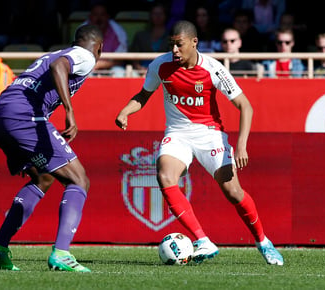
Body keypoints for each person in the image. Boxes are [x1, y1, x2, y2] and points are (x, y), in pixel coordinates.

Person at [115, 20, 284, 266]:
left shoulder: (213, 69)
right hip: (178, 133)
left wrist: (241, 145)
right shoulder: (160, 66)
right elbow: (143, 95)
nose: (174, 50)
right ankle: (203, 240)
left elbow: (244, 106)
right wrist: (125, 111)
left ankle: (263, 242)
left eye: (179, 45)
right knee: (165, 176)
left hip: (210, 134)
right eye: (171, 44)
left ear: (194, 43)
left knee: (233, 192)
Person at [0, 24, 104, 272]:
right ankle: (62, 253)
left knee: (43, 177)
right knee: (79, 180)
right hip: (24, 115)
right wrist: (69, 111)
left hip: (1, 115)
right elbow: (61, 67)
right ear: (99, 47)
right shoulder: (85, 55)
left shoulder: (50, 54)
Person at [84, 1, 128, 77]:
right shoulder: (82, 31)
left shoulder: (118, 31)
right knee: (84, 73)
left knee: (119, 72)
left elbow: (120, 60)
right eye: (95, 15)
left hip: (112, 67)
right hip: (89, 67)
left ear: (107, 16)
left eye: (102, 15)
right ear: (90, 17)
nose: (99, 19)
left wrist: (102, 64)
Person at [129, 1, 170, 75]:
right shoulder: (140, 35)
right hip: (141, 72)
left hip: (164, 72)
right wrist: (140, 68)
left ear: (166, 15)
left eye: (161, 14)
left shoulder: (171, 36)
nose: (158, 16)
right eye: (155, 14)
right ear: (151, 15)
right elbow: (134, 58)